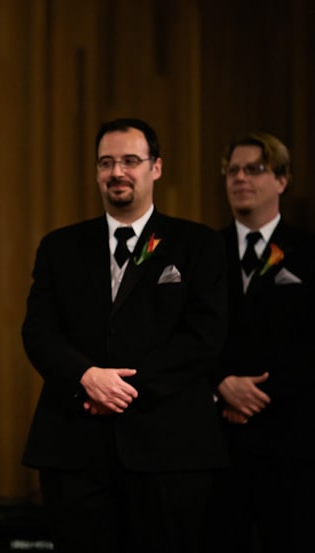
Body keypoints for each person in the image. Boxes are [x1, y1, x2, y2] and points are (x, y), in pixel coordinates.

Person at [21, 118, 228, 553]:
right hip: (75, 446)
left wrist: (120, 387)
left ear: (156, 167)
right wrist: (85, 377)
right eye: (107, 162)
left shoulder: (199, 245)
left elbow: (203, 337)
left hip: (170, 447)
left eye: (130, 161)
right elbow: (39, 331)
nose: (117, 172)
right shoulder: (60, 247)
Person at [206, 132, 315, 552]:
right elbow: (188, 335)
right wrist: (221, 385)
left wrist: (254, 396)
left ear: (282, 180)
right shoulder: (203, 252)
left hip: (292, 441)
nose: (240, 178)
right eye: (233, 170)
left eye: (255, 169)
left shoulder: (309, 252)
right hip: (218, 445)